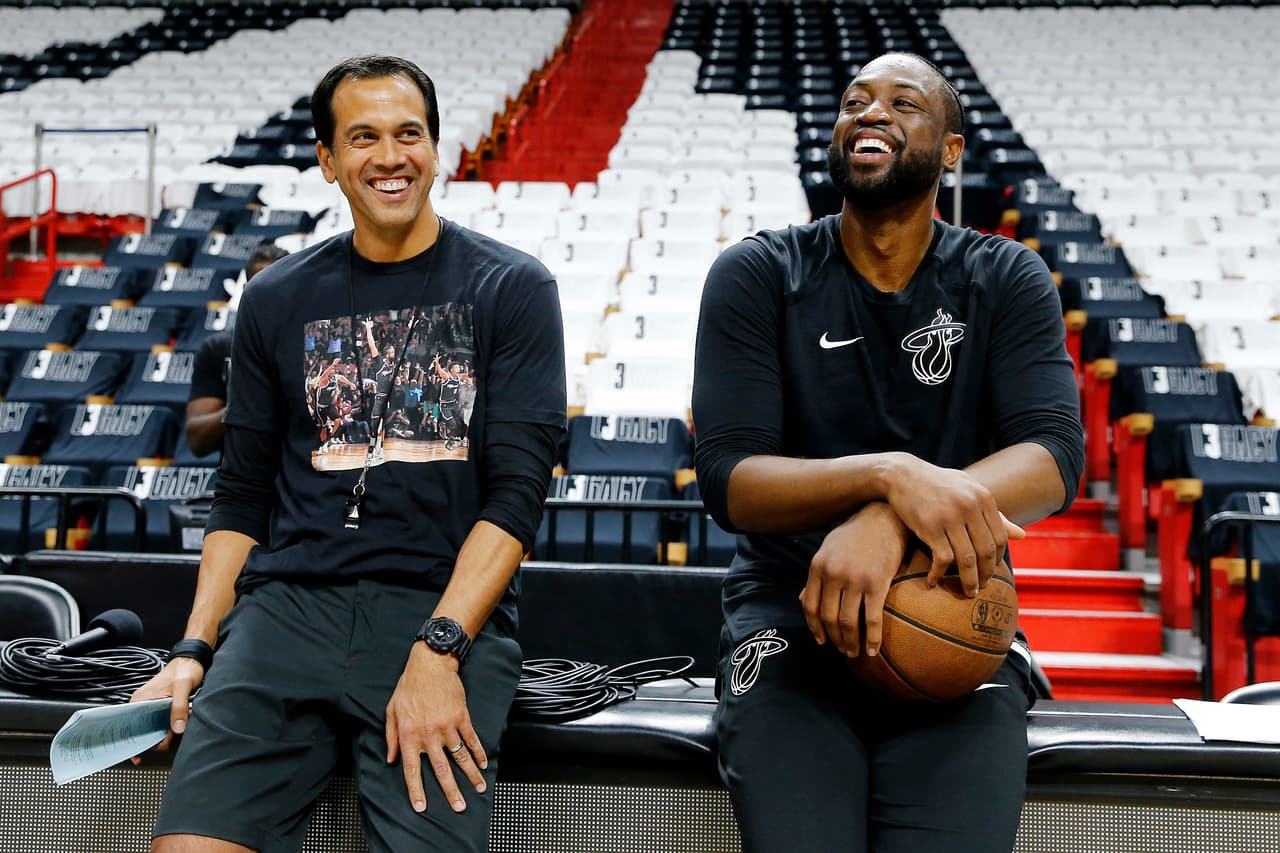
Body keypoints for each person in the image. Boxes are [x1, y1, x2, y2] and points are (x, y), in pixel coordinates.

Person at [132, 54, 566, 853]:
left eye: (409, 133)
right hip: (286, 612)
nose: (390, 155)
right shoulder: (275, 298)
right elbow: (241, 495)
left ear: (439, 150)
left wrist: (442, 649)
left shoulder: (513, 287)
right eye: (362, 136)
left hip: (436, 607)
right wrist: (195, 646)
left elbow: (516, 496)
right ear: (329, 162)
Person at [691, 52, 1084, 853]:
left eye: (903, 103)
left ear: (949, 150)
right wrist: (888, 475)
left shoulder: (1006, 276)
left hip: (952, 611)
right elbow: (730, 479)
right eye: (853, 102)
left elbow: (1052, 456)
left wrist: (891, 523)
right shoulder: (759, 273)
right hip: (791, 615)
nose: (870, 113)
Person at [185, 243, 289, 457]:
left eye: (280, 288)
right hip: (242, 480)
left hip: (303, 481)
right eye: (261, 287)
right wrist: (245, 404)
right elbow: (197, 441)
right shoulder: (219, 348)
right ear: (246, 291)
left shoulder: (313, 344)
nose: (271, 298)